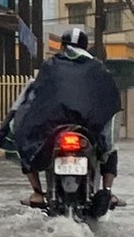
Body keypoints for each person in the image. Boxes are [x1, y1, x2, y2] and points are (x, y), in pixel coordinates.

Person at [7, 26, 122, 207]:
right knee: (111, 147)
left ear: (62, 46)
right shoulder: (98, 70)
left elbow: (31, 99)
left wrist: (19, 121)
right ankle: (108, 191)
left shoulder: (50, 66)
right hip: (88, 131)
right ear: (85, 47)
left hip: (51, 130)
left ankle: (37, 192)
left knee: (22, 137)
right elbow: (111, 103)